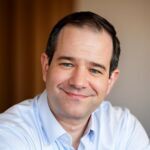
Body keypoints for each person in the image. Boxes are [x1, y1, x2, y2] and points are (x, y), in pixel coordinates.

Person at [0, 11, 149, 150]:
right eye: (67, 64)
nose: (78, 83)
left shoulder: (125, 129)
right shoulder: (9, 133)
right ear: (46, 67)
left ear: (110, 80)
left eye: (95, 70)